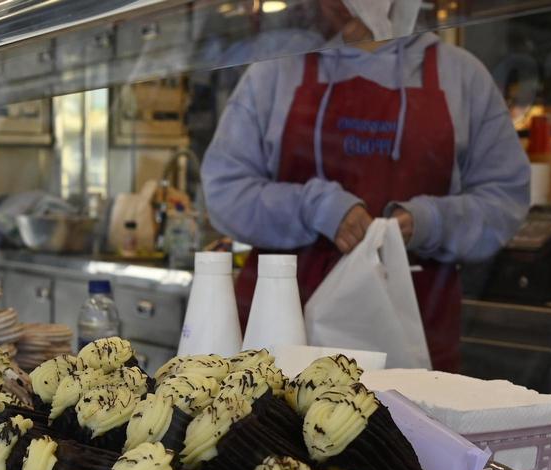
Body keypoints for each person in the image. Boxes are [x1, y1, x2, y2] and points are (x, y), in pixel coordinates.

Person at [202, 0, 530, 371]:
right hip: (283, 327)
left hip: (413, 327)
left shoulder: (462, 76)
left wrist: (429, 221)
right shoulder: (277, 73)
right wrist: (316, 208)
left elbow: (505, 199)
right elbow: (224, 191)